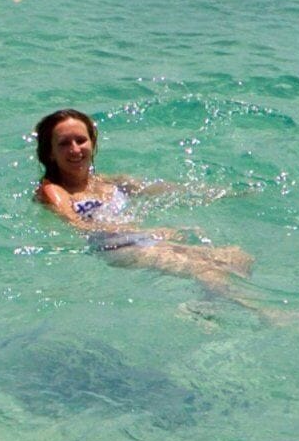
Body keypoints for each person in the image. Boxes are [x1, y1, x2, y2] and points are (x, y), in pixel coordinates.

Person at [32, 108, 281, 316]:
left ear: (93, 143)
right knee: (204, 268)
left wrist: (222, 192)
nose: (75, 149)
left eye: (81, 140)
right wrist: (150, 234)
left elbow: (159, 189)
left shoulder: (105, 182)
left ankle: (204, 307)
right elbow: (76, 224)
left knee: (237, 257)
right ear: (50, 153)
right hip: (112, 246)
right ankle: (265, 313)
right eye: (64, 144)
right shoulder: (54, 191)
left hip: (140, 239)